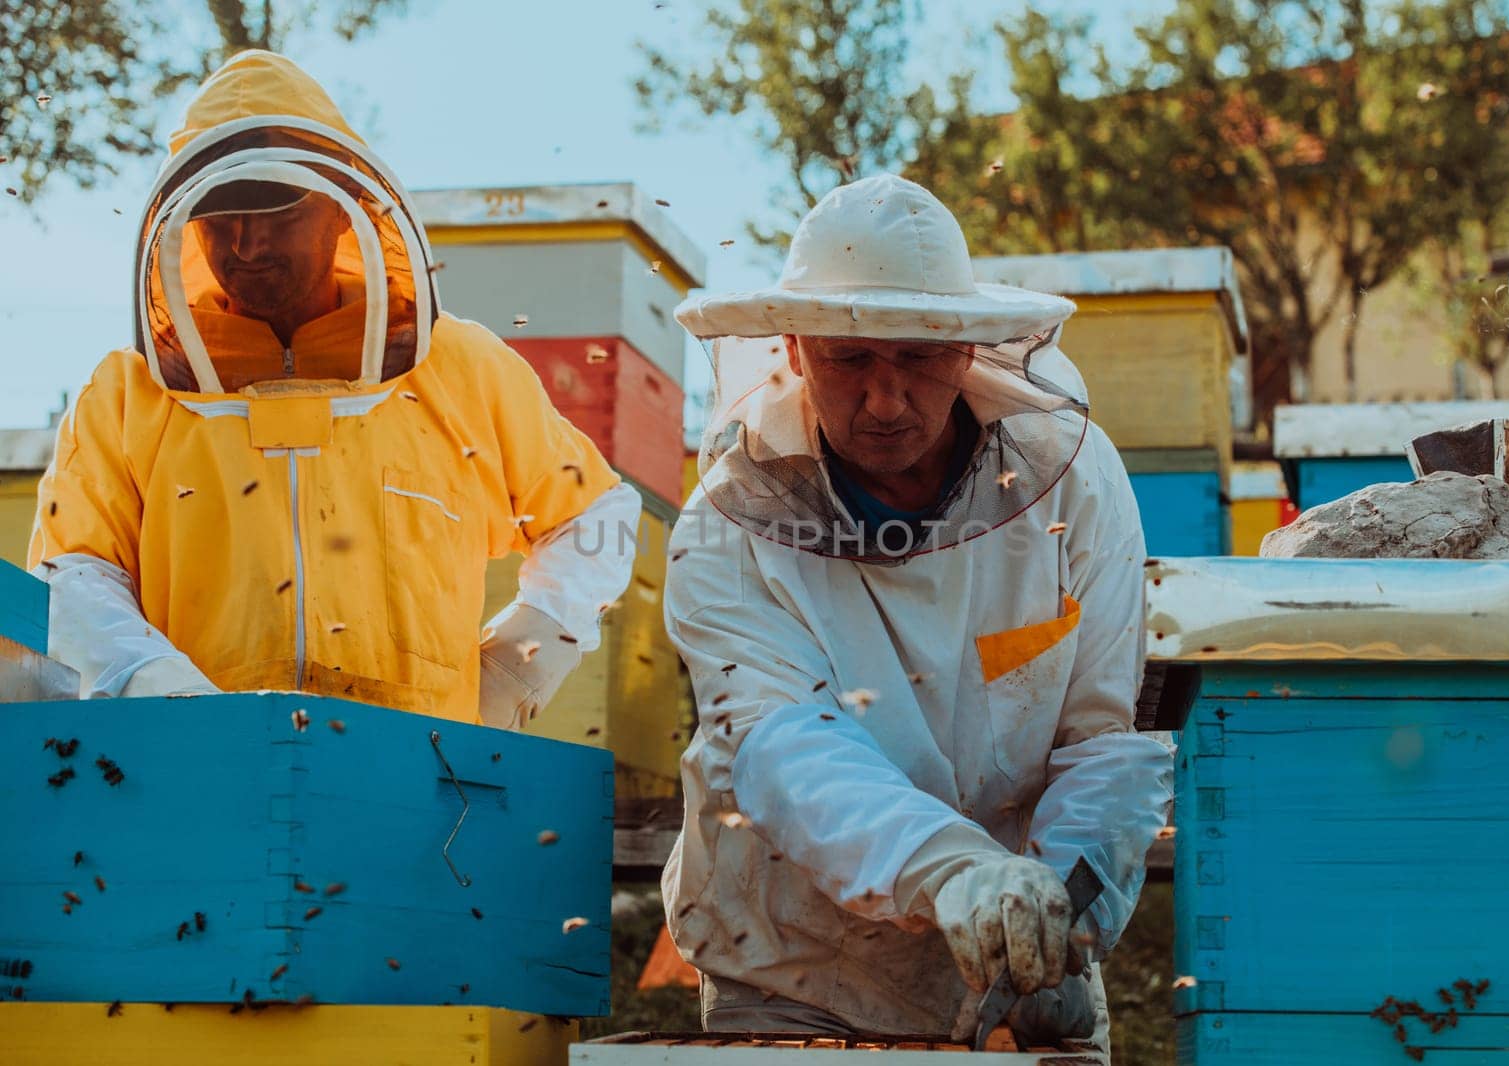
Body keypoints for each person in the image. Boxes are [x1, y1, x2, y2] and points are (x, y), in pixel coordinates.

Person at [662, 174, 1172, 1059]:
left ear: (970, 350)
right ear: (792, 347)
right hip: (792, 974)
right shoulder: (724, 527)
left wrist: (1060, 923)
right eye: (851, 360)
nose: (887, 400)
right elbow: (784, 747)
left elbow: (1108, 734)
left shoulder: (1078, 481)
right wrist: (953, 871)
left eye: (921, 358)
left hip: (1026, 980)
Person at [28, 50, 639, 728]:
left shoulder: (459, 367)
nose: (248, 244)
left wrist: (521, 658)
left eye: (277, 214)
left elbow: (595, 514)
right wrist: (154, 683)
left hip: (425, 778)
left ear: (341, 212)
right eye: (220, 219)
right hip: (198, 774)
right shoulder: (126, 395)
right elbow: (72, 571)